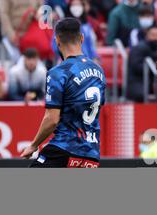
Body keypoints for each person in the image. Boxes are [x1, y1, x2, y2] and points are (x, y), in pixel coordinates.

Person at [21, 18, 106, 168]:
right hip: (91, 155)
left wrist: (34, 145)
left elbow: (52, 119)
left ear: (57, 40)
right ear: (82, 38)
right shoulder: (99, 71)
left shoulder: (59, 73)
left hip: (64, 148)